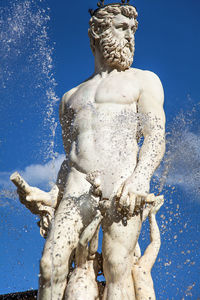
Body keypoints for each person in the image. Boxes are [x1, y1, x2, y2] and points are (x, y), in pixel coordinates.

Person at [17, 3, 165, 300]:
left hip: (122, 182)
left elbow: (156, 137)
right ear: (98, 30)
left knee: (116, 268)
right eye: (122, 28)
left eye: (132, 30)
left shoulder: (143, 80)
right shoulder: (69, 98)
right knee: (50, 265)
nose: (130, 37)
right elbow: (71, 156)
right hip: (76, 187)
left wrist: (139, 179)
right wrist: (51, 196)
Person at [132, 196, 164, 300]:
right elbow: (156, 242)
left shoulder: (138, 269)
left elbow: (155, 243)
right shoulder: (141, 268)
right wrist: (152, 215)